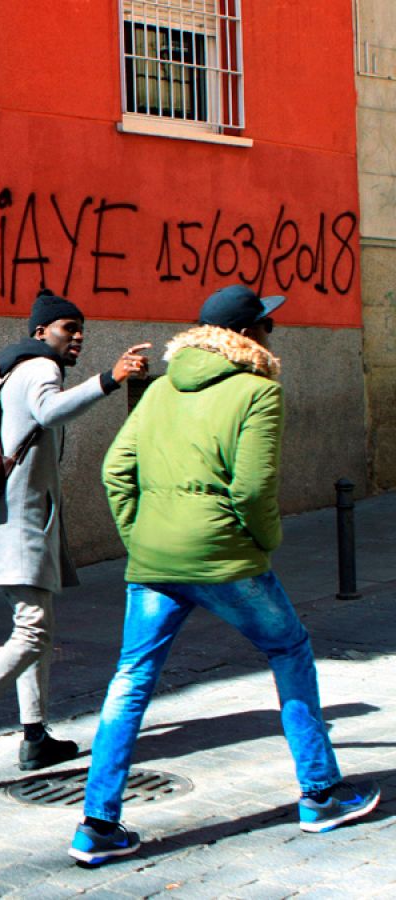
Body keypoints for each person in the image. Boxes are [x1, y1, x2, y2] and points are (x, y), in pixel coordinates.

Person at [68, 284, 380, 867]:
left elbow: (116, 470)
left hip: (155, 561)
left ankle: (96, 826)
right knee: (289, 650)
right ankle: (320, 794)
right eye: (267, 323)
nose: (273, 332)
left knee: (130, 680)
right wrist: (263, 542)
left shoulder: (159, 388)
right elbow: (254, 488)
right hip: (225, 558)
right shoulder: (258, 391)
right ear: (248, 335)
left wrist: (141, 536)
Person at [0, 290, 151, 783]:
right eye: (68, 327)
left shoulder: (13, 370)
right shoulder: (41, 367)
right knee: (33, 631)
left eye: (81, 328)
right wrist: (110, 380)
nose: (79, 336)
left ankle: (36, 738)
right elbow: (48, 412)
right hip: (18, 523)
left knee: (33, 630)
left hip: (7, 520)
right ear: (42, 332)